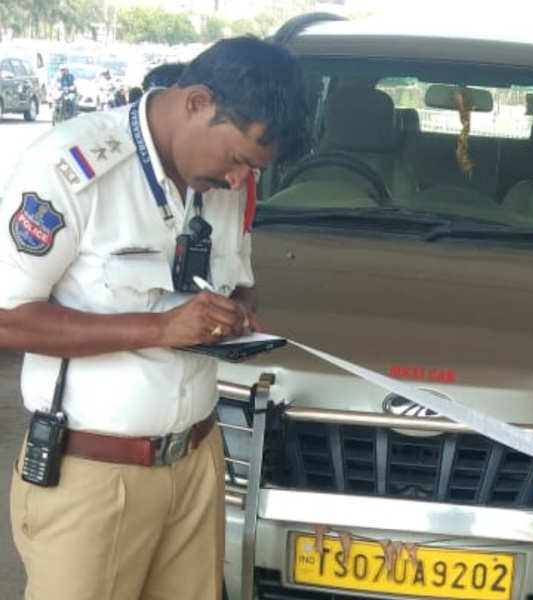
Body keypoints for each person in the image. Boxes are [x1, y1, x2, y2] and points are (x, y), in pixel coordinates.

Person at [0, 36, 308, 600]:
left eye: (252, 169)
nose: (239, 180)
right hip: (92, 472)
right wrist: (161, 329)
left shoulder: (224, 185)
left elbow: (238, 282)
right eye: (237, 160)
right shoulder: (72, 166)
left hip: (196, 461)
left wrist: (236, 313)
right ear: (196, 103)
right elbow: (6, 318)